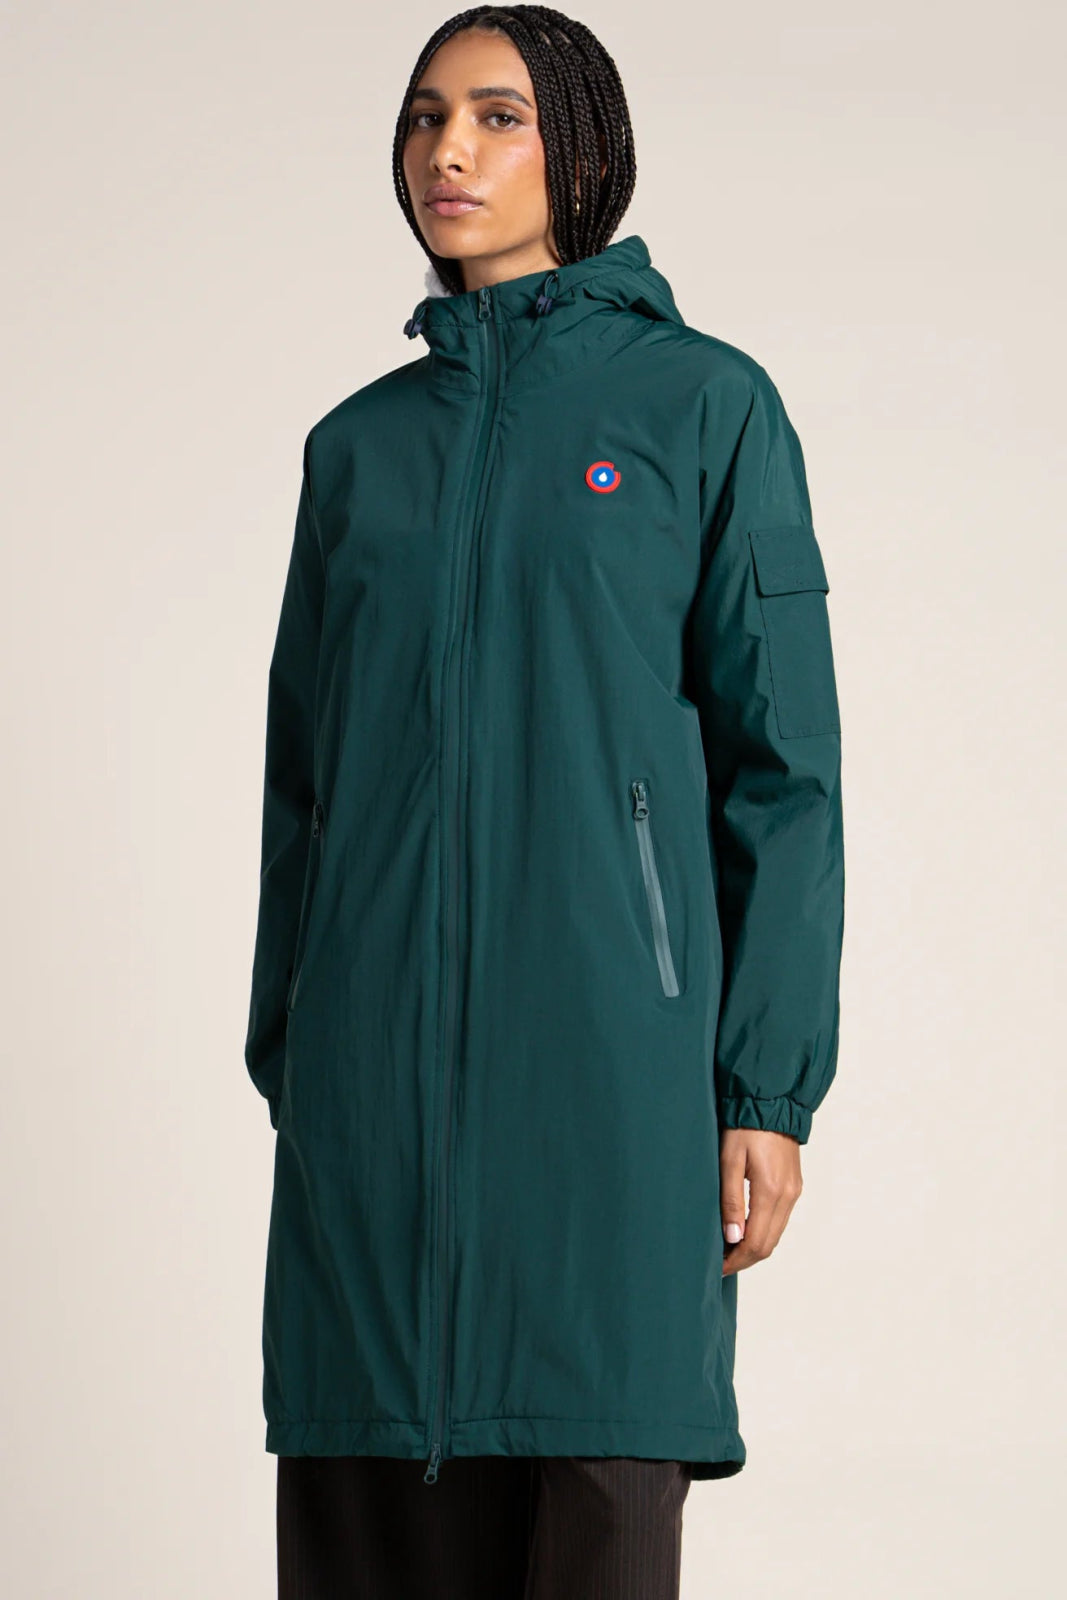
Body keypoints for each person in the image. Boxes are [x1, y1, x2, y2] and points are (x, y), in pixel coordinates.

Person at [243, 5, 845, 1596]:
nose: (448, 150)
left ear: (581, 148)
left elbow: (784, 772)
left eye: (497, 116)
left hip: (613, 1105)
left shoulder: (704, 407)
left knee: (595, 1516)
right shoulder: (357, 451)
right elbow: (302, 784)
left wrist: (766, 1088)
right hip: (369, 1132)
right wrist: (301, 1053)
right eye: (425, 115)